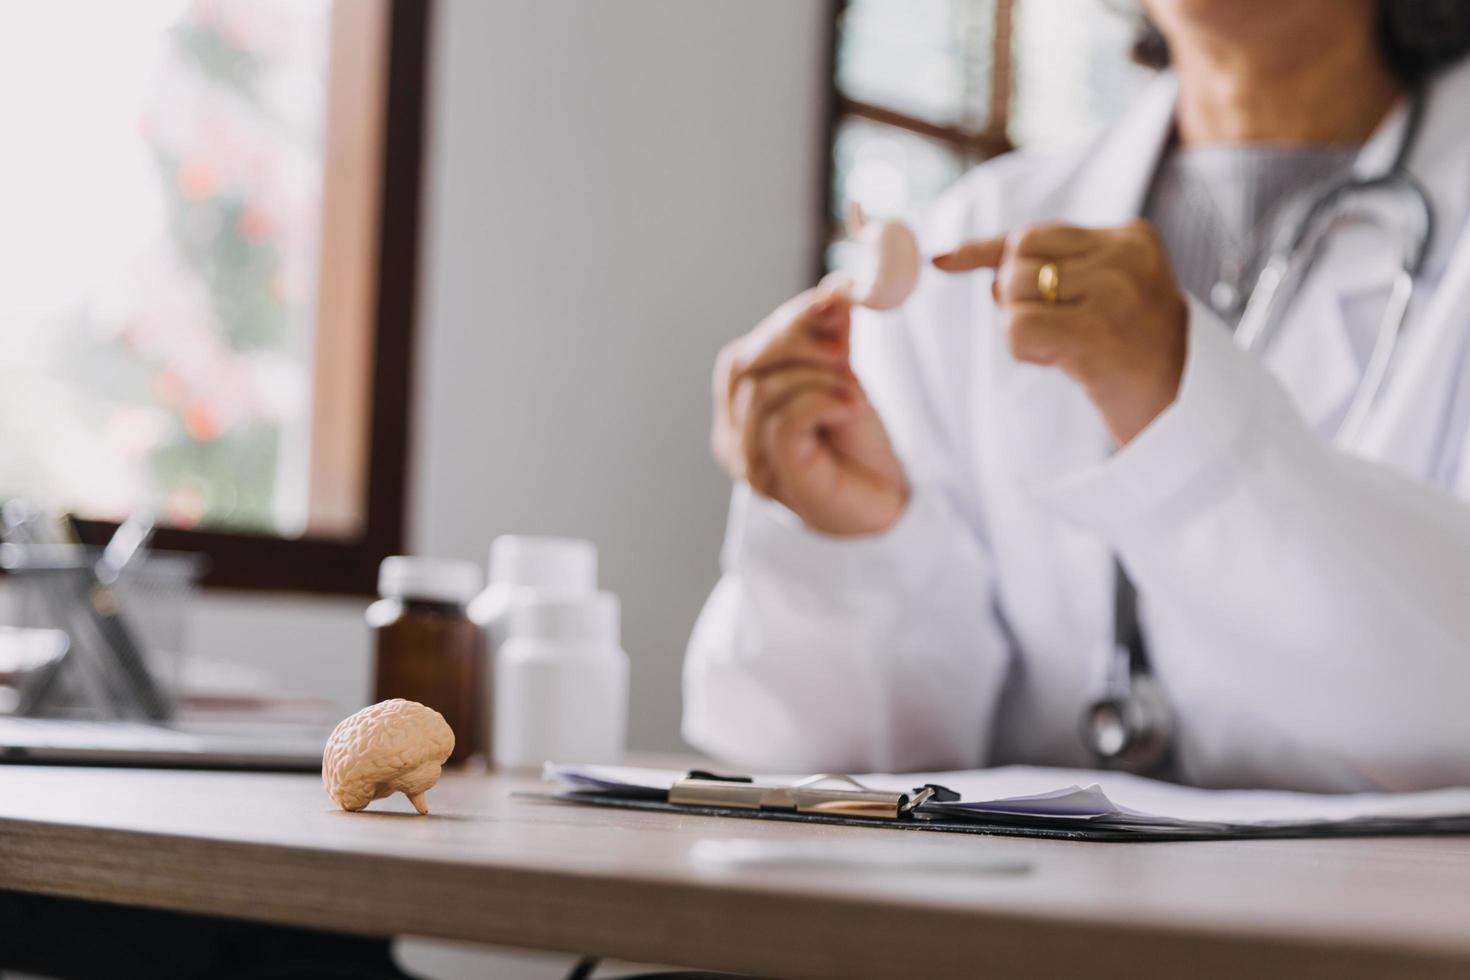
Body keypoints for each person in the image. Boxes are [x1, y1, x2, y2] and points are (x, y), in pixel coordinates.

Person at [683, 0, 1470, 791]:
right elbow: (831, 751)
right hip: (1027, 908)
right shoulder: (979, 227)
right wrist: (858, 539)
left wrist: (1185, 413)